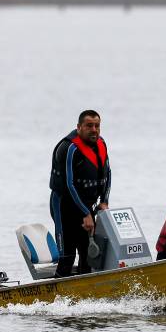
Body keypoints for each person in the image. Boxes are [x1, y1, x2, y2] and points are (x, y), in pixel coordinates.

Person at [49, 110, 111, 277]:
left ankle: (85, 289)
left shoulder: (101, 143)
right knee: (68, 255)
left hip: (85, 205)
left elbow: (108, 173)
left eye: (97, 126)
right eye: (89, 126)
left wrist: (104, 201)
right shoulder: (69, 148)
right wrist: (85, 213)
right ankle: (58, 288)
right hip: (64, 206)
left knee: (88, 253)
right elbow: (69, 185)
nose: (94, 130)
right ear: (79, 127)